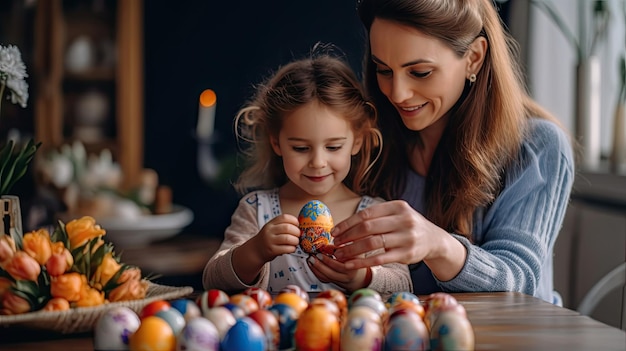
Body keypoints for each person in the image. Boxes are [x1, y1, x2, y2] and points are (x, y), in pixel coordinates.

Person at [330, 0, 575, 304]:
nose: (397, 93)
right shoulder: (365, 136)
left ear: (473, 58)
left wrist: (437, 245)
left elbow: (518, 281)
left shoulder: (536, 147)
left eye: (420, 72)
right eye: (383, 70)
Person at [202, 46, 412, 297]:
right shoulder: (257, 211)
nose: (318, 161)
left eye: (333, 146)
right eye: (301, 148)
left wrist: (362, 277)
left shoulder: (373, 216)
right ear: (276, 143)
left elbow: (404, 285)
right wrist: (254, 251)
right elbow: (212, 280)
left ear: (357, 141)